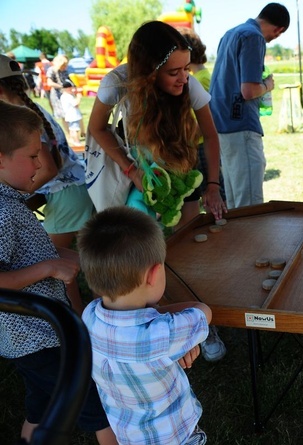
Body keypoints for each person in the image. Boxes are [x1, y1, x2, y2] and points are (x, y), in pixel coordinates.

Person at [0, 101, 116, 444]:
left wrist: (67, 255)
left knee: (41, 404)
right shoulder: (3, 212)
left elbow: (21, 257)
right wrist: (49, 267)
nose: (40, 164)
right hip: (40, 337)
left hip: (31, 340)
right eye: (32, 156)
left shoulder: (10, 203)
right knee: (100, 408)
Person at [79, 206, 212, 445]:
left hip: (129, 436)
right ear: (154, 274)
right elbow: (202, 312)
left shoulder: (89, 316)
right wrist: (169, 321)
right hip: (176, 438)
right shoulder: (162, 335)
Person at [88, 21, 225, 230]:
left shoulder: (190, 84)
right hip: (137, 171)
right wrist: (133, 172)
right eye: (173, 72)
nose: (184, 78)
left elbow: (210, 135)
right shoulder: (117, 83)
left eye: (186, 68)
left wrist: (213, 186)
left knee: (188, 239)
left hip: (180, 168)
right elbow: (96, 128)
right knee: (141, 241)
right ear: (149, 72)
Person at [0, 54, 94, 263]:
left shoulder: (20, 121)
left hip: (66, 196)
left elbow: (48, 169)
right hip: (75, 189)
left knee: (48, 261)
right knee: (90, 261)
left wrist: (17, 195)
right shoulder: (31, 110)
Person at [210, 3, 290, 209]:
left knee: (236, 201)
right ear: (279, 30)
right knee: (250, 207)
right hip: (242, 125)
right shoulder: (254, 37)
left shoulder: (230, 34)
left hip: (222, 124)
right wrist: (267, 85)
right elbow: (249, 91)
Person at [177, 27, 227, 208]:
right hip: (192, 144)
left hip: (199, 144)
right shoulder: (194, 77)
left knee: (213, 194)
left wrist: (186, 134)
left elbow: (209, 120)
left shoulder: (201, 79)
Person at [45, 54, 69, 131]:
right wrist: (61, 86)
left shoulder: (64, 71)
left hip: (66, 94)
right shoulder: (51, 70)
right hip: (57, 95)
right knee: (64, 115)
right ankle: (69, 133)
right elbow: (50, 83)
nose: (65, 67)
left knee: (70, 113)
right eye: (64, 65)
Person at [60, 79, 83, 144]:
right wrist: (79, 97)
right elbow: (76, 104)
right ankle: (77, 141)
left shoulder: (62, 96)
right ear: (67, 89)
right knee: (75, 129)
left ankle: (72, 140)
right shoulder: (68, 96)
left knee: (71, 129)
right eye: (70, 88)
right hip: (74, 116)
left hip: (68, 115)